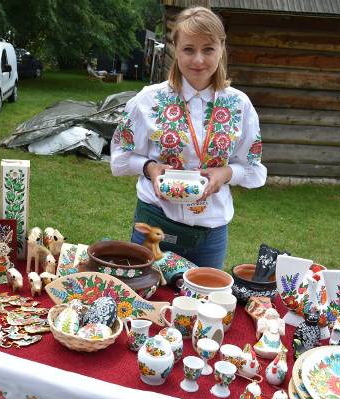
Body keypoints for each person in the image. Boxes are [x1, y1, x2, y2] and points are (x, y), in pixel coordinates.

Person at [110, 6, 266, 268]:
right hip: (153, 226)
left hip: (210, 235)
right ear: (175, 49)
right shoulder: (148, 100)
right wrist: (150, 167)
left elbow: (253, 169)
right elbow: (120, 157)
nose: (198, 60)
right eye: (188, 49)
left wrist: (225, 174)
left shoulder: (240, 105)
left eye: (208, 49)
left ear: (221, 48)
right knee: (144, 300)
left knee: (202, 305)